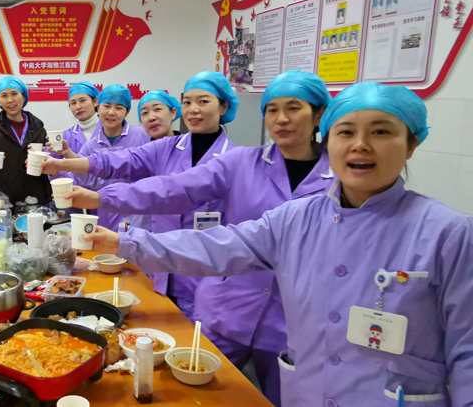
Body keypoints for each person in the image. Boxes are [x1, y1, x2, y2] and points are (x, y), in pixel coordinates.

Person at [82, 82, 471, 406]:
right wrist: (124, 241)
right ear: (331, 138)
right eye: (346, 132)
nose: (360, 145)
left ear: (411, 144)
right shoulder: (297, 216)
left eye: (381, 132)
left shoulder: (448, 233)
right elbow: (216, 245)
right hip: (299, 378)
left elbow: (467, 346)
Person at [61, 71, 333, 406]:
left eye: (293, 108)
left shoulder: (339, 181)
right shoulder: (241, 163)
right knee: (191, 394)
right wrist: (101, 198)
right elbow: (174, 188)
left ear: (319, 114)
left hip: (291, 322)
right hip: (228, 307)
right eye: (272, 109)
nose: (282, 119)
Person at [41, 72, 239, 320]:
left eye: (203, 101)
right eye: (187, 102)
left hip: (206, 272)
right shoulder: (166, 147)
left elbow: (160, 191)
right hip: (161, 266)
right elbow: (117, 160)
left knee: (199, 334)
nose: (193, 109)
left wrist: (96, 197)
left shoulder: (236, 160)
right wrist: (62, 164)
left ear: (224, 106)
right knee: (161, 325)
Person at [49, 84, 149, 228]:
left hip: (138, 213)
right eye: (106, 106)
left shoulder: (143, 136)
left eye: (119, 108)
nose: (111, 112)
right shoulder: (91, 146)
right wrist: (58, 166)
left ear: (127, 111)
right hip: (105, 214)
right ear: (98, 106)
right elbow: (82, 177)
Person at [0, 76, 52, 205]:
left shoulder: (38, 128)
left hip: (34, 196)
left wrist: (48, 155)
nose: (10, 100)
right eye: (4, 96)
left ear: (23, 97)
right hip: (3, 197)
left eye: (14, 94)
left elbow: (48, 160)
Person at [62, 81, 100, 154]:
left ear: (95, 102)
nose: (78, 107)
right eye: (73, 103)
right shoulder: (66, 136)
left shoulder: (111, 131)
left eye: (82, 101)